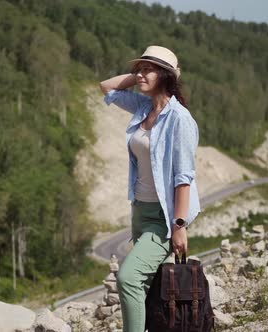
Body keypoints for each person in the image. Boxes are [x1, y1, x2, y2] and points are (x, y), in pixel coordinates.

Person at [99, 45, 201, 332]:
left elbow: (183, 177)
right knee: (148, 285)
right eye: (139, 68)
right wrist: (139, 77)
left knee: (129, 278)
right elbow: (106, 88)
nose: (140, 73)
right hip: (140, 212)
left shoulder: (179, 119)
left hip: (163, 219)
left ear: (166, 75)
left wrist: (179, 225)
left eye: (148, 69)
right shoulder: (144, 107)